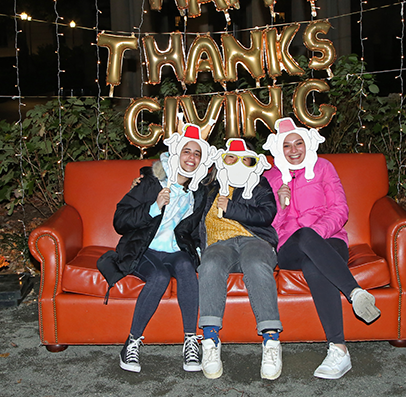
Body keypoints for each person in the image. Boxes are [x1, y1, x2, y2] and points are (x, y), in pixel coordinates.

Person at [263, 117, 380, 380]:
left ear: (307, 144)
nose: (293, 151)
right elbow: (267, 224)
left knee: (313, 265)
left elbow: (340, 209)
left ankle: (338, 350)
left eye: (298, 144)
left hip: (331, 241)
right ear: (278, 150)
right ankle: (354, 292)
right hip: (288, 247)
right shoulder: (270, 178)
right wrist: (282, 205)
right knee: (303, 237)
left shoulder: (324, 167)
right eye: (287, 146)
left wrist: (316, 235)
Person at [97, 124, 215, 373]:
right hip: (144, 248)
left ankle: (191, 341)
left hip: (175, 250)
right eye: (186, 151)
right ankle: (131, 343)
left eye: (197, 153)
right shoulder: (152, 183)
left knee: (185, 265)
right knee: (159, 276)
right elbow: (120, 219)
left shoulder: (198, 193)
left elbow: (193, 231)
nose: (191, 157)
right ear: (176, 154)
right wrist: (154, 207)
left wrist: (202, 253)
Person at [196, 137, 282, 380]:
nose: (236, 163)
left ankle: (271, 339)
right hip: (219, 244)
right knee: (210, 264)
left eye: (244, 158)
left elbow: (267, 214)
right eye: (230, 157)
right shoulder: (209, 185)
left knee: (256, 264)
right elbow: (177, 173)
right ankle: (210, 340)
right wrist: (145, 178)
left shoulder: (258, 184)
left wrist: (231, 207)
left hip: (254, 240)